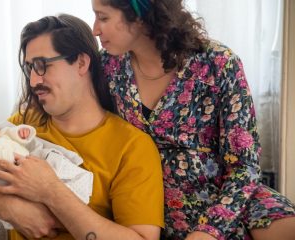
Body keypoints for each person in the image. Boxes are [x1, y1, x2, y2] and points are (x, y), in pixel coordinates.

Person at [0, 14, 164, 240]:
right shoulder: (23, 124)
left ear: (81, 63)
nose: (34, 81)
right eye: (31, 68)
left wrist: (50, 190)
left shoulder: (131, 148)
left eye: (43, 65)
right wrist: (9, 208)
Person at [91, 0, 295, 239]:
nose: (95, 29)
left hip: (228, 198)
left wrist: (210, 230)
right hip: (150, 202)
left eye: (103, 17)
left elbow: (245, 165)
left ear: (141, 15)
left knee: (286, 226)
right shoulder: (105, 67)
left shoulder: (218, 63)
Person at [0, 117, 93, 204]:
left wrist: (22, 133)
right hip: (25, 169)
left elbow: (13, 134)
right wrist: (11, 156)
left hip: (33, 160)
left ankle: (79, 188)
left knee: (59, 167)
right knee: (58, 176)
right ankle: (77, 194)